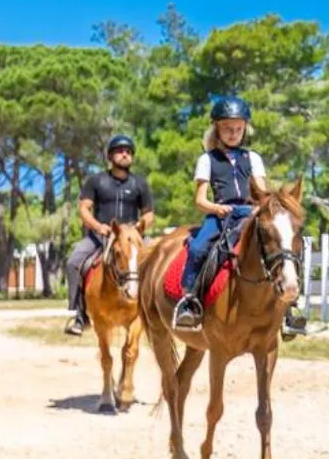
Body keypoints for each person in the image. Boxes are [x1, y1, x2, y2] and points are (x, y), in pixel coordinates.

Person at [173, 97, 277, 332]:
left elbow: (261, 191)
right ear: (216, 129)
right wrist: (216, 208)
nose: (233, 133)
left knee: (278, 246)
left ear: (245, 129)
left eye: (238, 128)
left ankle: (287, 308)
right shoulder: (207, 159)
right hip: (221, 214)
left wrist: (261, 207)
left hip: (250, 213)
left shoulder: (253, 158)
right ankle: (189, 300)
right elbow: (200, 200)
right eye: (227, 128)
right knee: (199, 247)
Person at [65, 134, 155, 335]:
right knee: (73, 262)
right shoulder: (96, 181)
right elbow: (84, 209)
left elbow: (149, 214)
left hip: (132, 237)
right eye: (120, 151)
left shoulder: (140, 183)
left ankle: (155, 311)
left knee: (159, 258)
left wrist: (140, 226)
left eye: (128, 151)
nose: (125, 154)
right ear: (110, 156)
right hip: (102, 235)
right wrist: (98, 227)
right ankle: (80, 315)